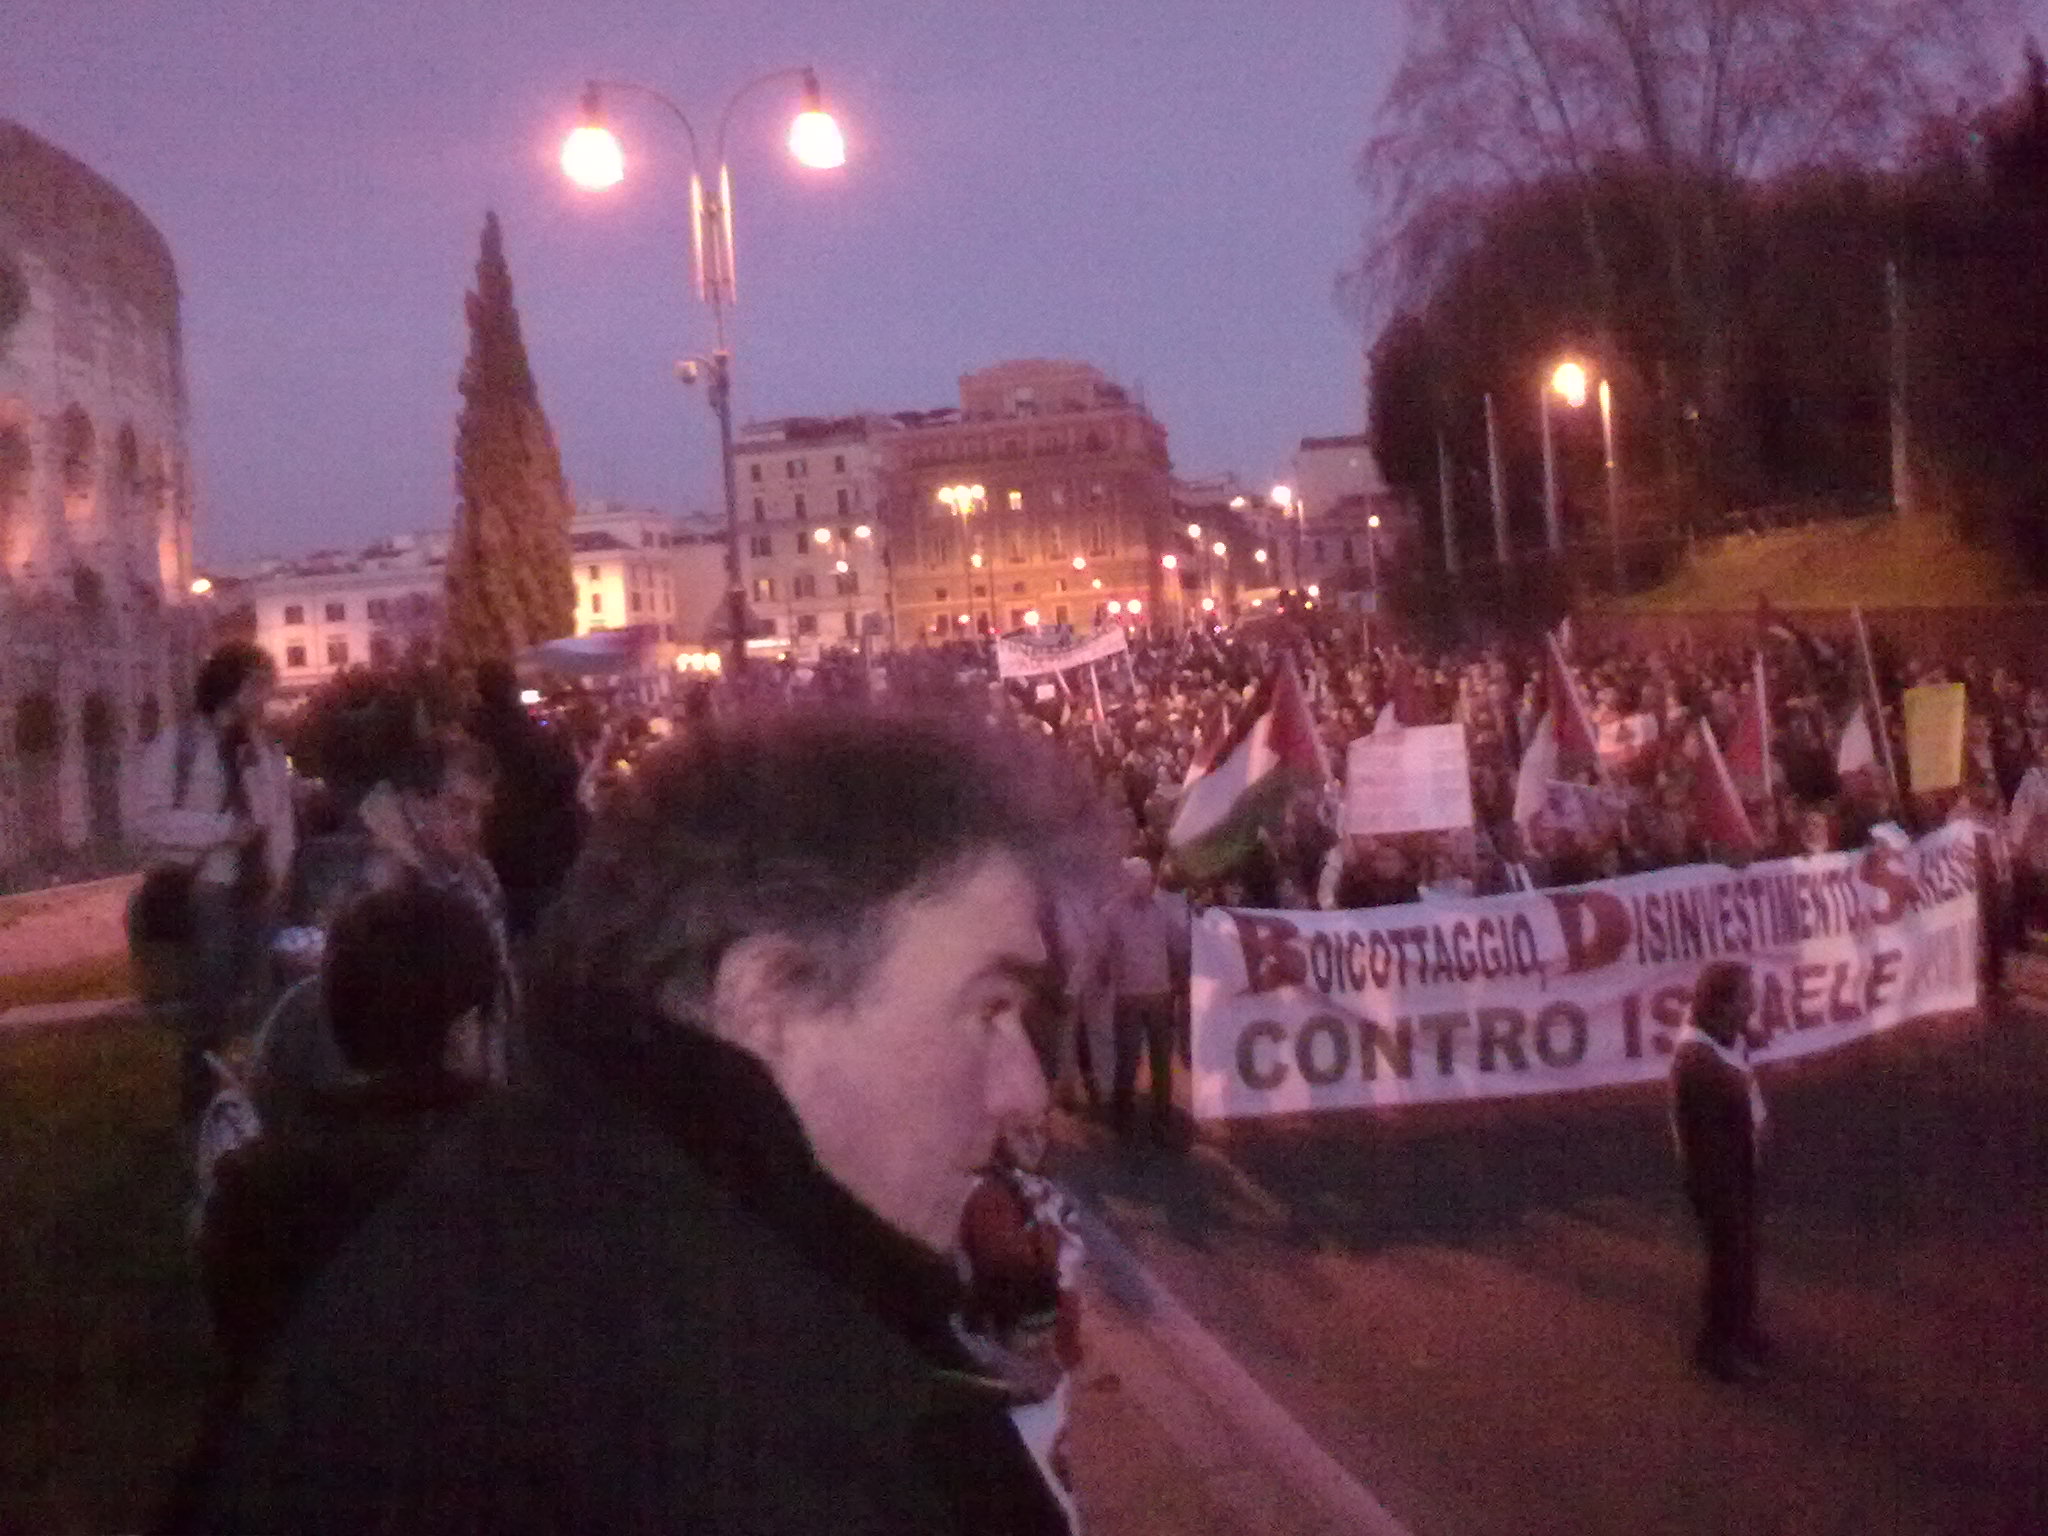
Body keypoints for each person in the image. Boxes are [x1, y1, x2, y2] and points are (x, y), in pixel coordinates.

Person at [173, 708, 1108, 1534]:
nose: (1026, 1089)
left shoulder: (559, 1216)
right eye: (987, 1008)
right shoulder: (743, 1424)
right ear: (766, 998)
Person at [130, 642, 296, 1123]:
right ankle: (200, 1103)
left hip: (261, 889)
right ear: (232, 686)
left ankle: (256, 1101)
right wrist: (222, 831)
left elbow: (277, 815)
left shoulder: (262, 748)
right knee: (213, 1003)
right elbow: (151, 819)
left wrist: (280, 871)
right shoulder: (178, 745)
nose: (266, 696)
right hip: (211, 889)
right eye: (259, 684)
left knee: (264, 999)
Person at [957, 1111, 1087, 1534]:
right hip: (1006, 1359)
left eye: (1040, 1131)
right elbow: (1009, 1266)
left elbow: (1066, 1280)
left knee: (1048, 1466)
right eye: (1020, 1132)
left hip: (1039, 1362)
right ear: (997, 1136)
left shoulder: (1044, 1194)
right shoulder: (986, 1197)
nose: (1033, 1141)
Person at [1669, 959, 1770, 1383]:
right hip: (1717, 1175)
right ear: (1724, 1003)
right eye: (1746, 996)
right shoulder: (1698, 1061)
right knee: (1728, 1258)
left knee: (1741, 1253)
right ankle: (1716, 1346)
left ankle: (1740, 1333)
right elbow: (1716, 1119)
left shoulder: (1719, 1035)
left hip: (1734, 1165)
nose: (1754, 1003)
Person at [467, 659, 584, 940]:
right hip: (534, 846)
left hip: (498, 842)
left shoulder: (470, 727)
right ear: (511, 686)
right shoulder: (524, 732)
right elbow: (563, 774)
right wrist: (562, 739)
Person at [1102, 855, 1187, 1146]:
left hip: (1159, 995)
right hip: (1129, 996)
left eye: (1146, 881)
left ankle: (1161, 1115)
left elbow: (1179, 944)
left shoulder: (1161, 911)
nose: (1144, 886)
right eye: (1138, 881)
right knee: (1128, 1058)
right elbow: (1101, 953)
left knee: (1162, 1059)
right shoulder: (1112, 913)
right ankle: (1122, 1114)